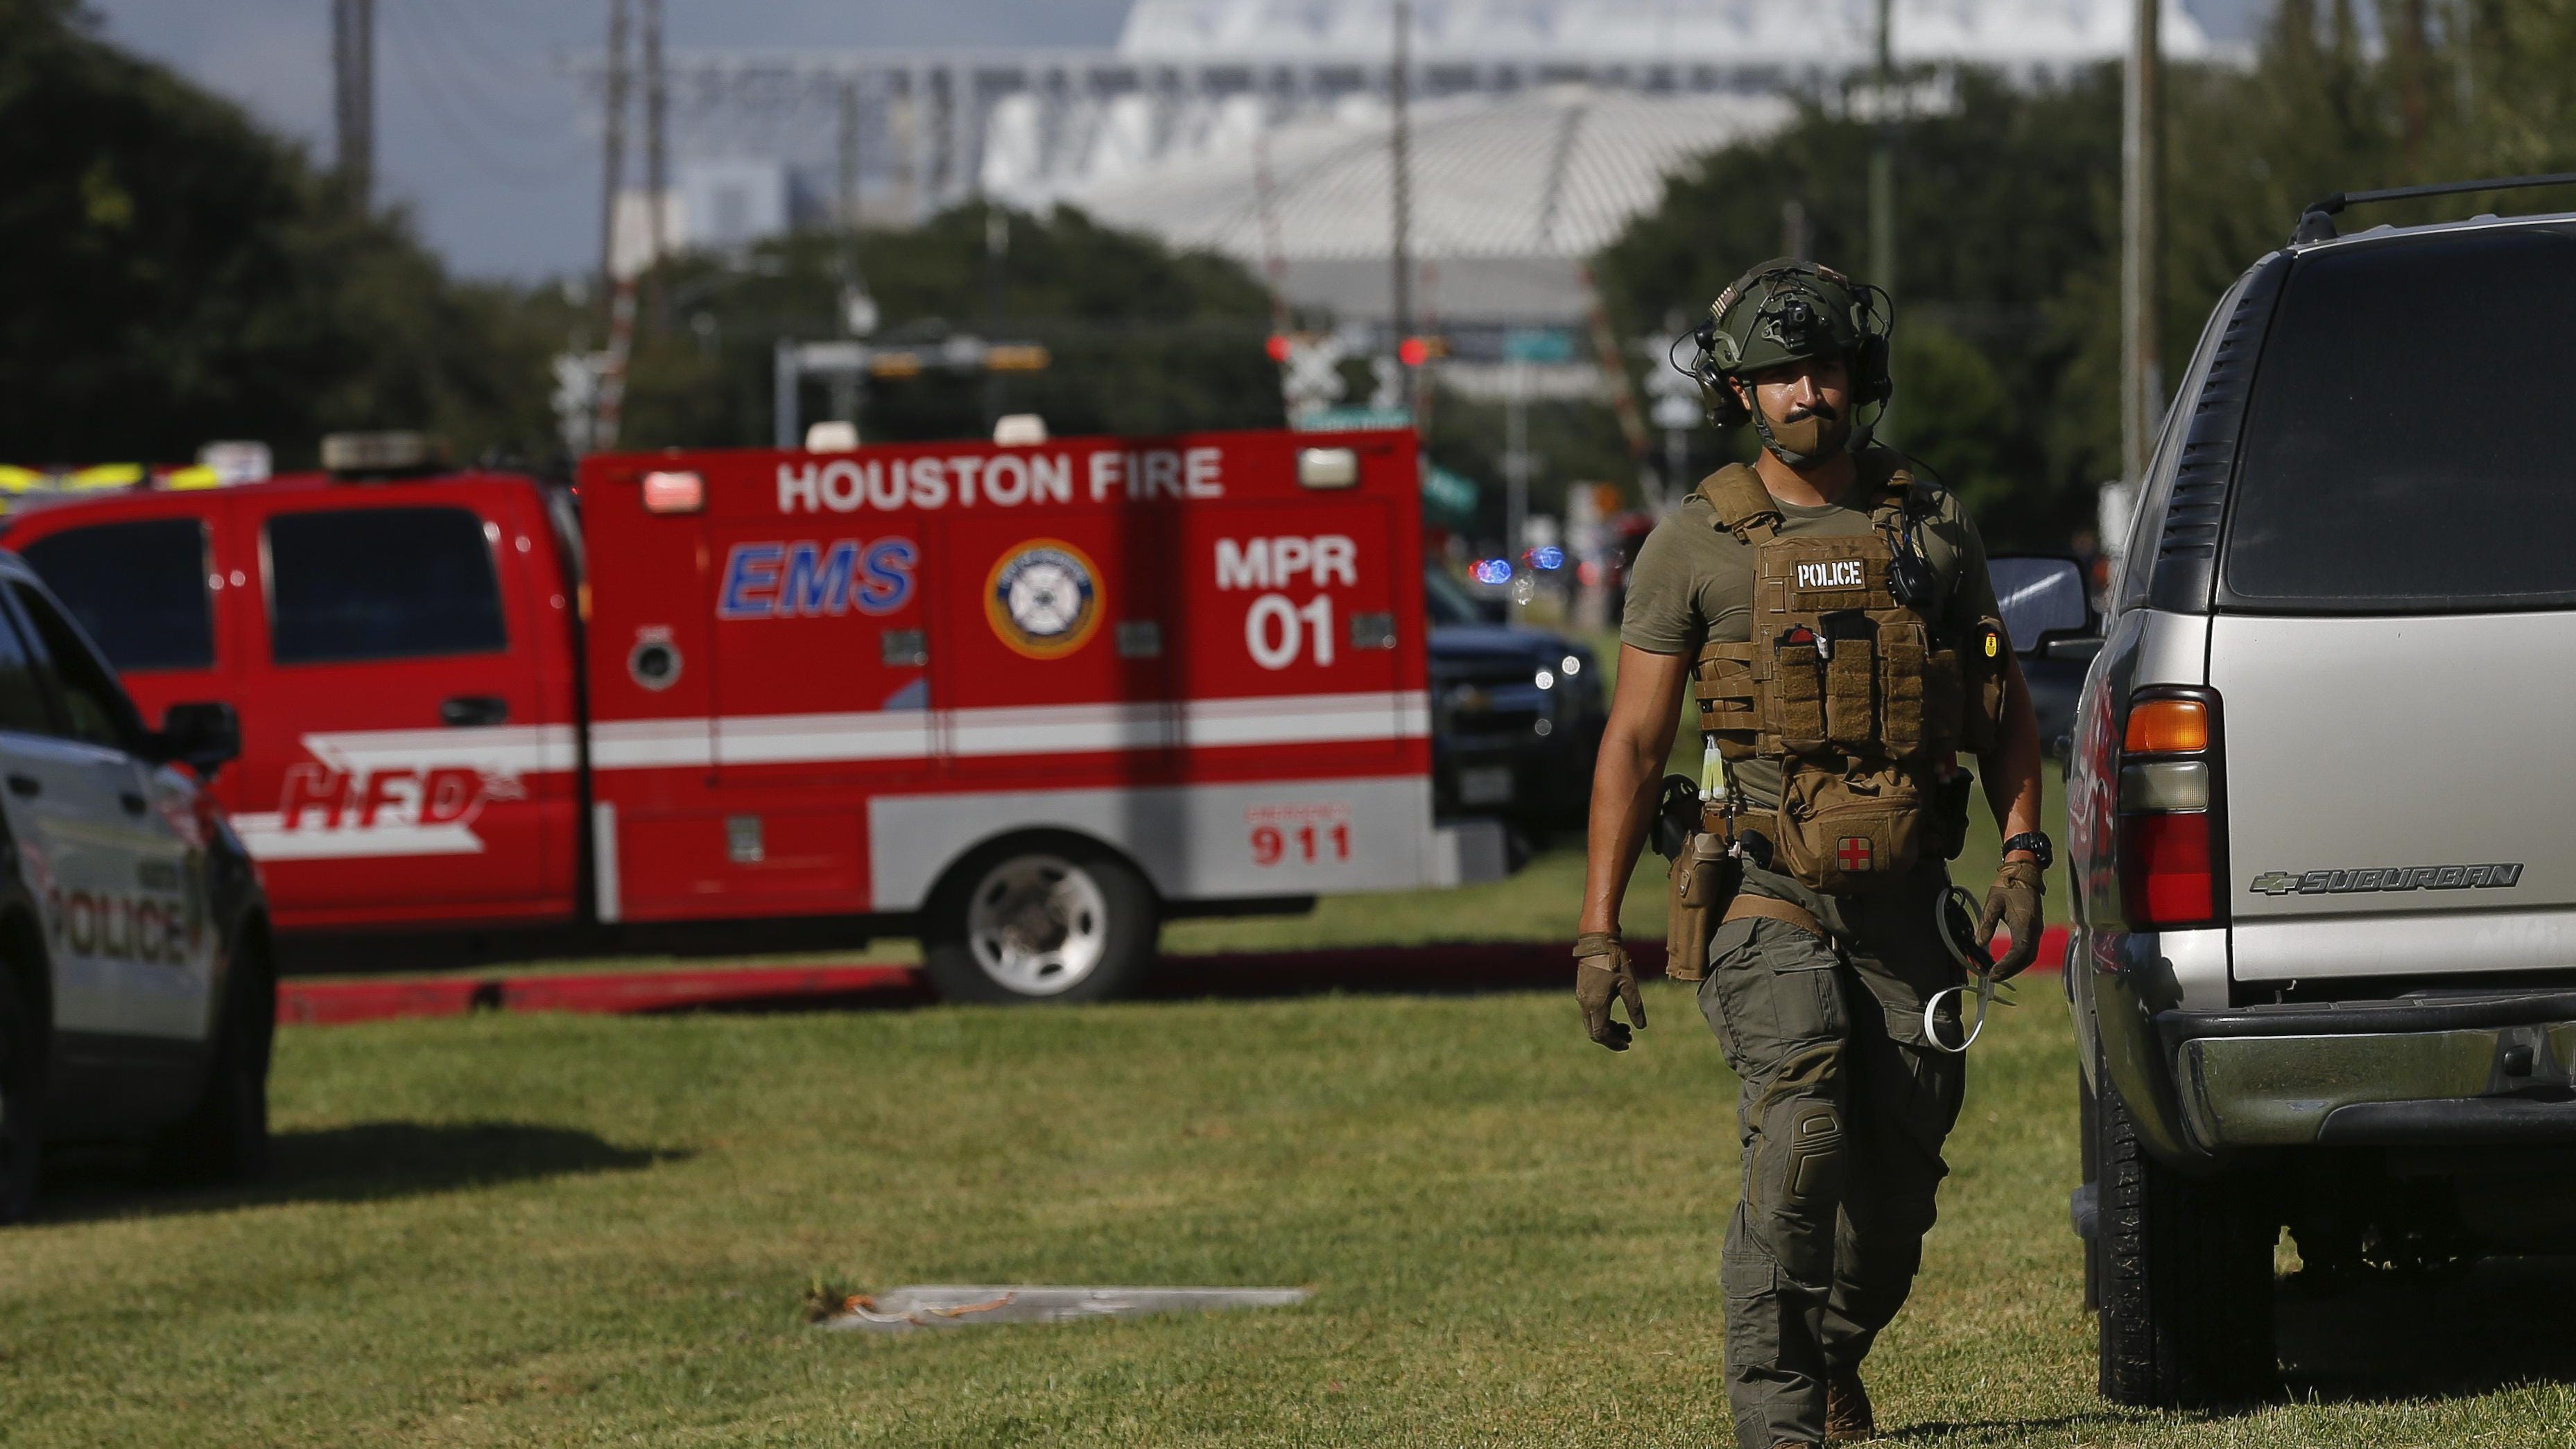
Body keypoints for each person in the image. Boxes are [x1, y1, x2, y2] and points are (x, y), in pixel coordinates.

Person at [1573, 260, 2050, 1449]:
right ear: (1743, 391)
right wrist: (1597, 932)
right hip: (1761, 891)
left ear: (1858, 376)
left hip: (1908, 897)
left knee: (1896, 1194)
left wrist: (2026, 854)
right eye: (1780, 373)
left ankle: (1832, 1351)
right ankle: (1777, 1419)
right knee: (1805, 1126)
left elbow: (2003, 708)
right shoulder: (1696, 546)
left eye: (1823, 367)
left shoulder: (1930, 524)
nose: (1805, 391)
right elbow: (1632, 747)